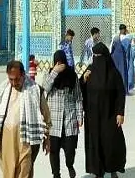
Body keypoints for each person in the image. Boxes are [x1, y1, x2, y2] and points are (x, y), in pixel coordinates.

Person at [0, 60, 51, 178]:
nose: (13, 83)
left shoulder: (35, 90)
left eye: (16, 79)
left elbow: (46, 116)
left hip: (26, 141)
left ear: (23, 75)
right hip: (7, 141)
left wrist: (47, 138)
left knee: (25, 173)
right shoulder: (3, 89)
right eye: (10, 79)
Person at [80, 43, 126, 178]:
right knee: (95, 143)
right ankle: (97, 171)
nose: (96, 58)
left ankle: (113, 169)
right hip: (93, 115)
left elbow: (120, 93)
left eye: (98, 56)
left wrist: (120, 112)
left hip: (110, 115)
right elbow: (79, 89)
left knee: (111, 142)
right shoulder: (89, 70)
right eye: (94, 56)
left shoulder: (113, 72)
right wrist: (83, 80)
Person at [41, 50, 83, 178]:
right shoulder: (48, 74)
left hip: (69, 119)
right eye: (57, 62)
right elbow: (45, 88)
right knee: (53, 151)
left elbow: (78, 97)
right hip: (53, 121)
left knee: (70, 150)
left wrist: (80, 116)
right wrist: (55, 72)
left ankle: (70, 165)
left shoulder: (72, 75)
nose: (59, 64)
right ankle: (56, 174)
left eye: (61, 62)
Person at [110, 25, 133, 95]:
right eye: (125, 29)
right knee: (123, 74)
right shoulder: (127, 37)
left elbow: (111, 48)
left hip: (115, 58)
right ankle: (123, 90)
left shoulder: (115, 37)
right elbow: (129, 45)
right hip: (121, 58)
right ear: (123, 30)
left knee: (116, 74)